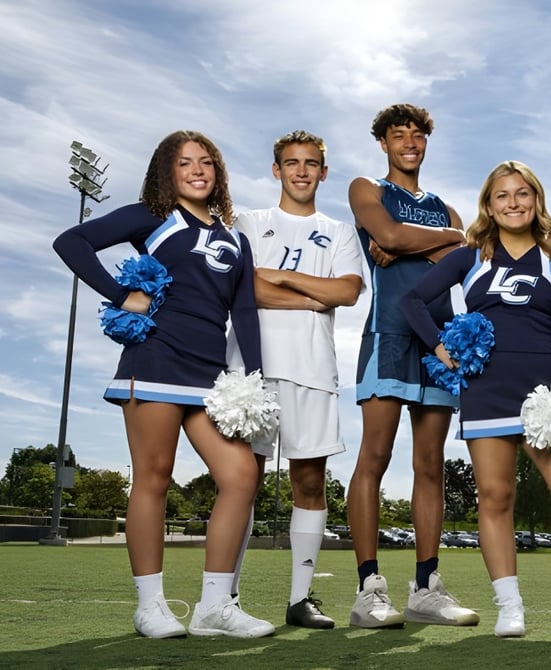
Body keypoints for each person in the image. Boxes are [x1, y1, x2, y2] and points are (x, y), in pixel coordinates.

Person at [52, 131, 274, 639]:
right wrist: (120, 293)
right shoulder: (153, 217)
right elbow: (72, 241)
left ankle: (215, 607)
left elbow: (243, 312)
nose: (197, 171)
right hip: (154, 361)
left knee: (240, 475)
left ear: (218, 172)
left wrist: (254, 380)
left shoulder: (235, 238)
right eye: (184, 163)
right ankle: (150, 605)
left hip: (210, 375)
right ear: (166, 172)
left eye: (205, 163)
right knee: (154, 474)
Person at [400, 160, 551, 640]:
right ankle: (509, 606)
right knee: (496, 497)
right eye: (502, 196)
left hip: (543, 397)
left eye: (522, 194)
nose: (513, 203)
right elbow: (412, 301)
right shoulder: (468, 256)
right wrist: (439, 345)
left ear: (536, 200)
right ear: (488, 207)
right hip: (487, 391)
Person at [346, 103, 478, 628]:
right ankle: (368, 588)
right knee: (374, 457)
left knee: (431, 465)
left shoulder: (447, 210)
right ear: (383, 143)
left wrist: (419, 241)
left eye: (417, 134)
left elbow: (453, 258)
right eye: (398, 135)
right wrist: (428, 242)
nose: (409, 142)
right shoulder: (367, 189)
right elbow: (394, 237)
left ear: (426, 142)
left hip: (440, 340)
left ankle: (426, 587)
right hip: (388, 333)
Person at [229, 130, 365, 629]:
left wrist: (280, 278)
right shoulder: (247, 222)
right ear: (276, 170)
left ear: (323, 173)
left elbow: (348, 291)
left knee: (309, 481)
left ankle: (299, 599)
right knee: (241, 481)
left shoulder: (340, 231)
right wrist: (312, 295)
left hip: (312, 369)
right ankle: (227, 595)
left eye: (311, 164)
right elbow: (241, 286)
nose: (302, 171)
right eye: (292, 163)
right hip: (251, 367)